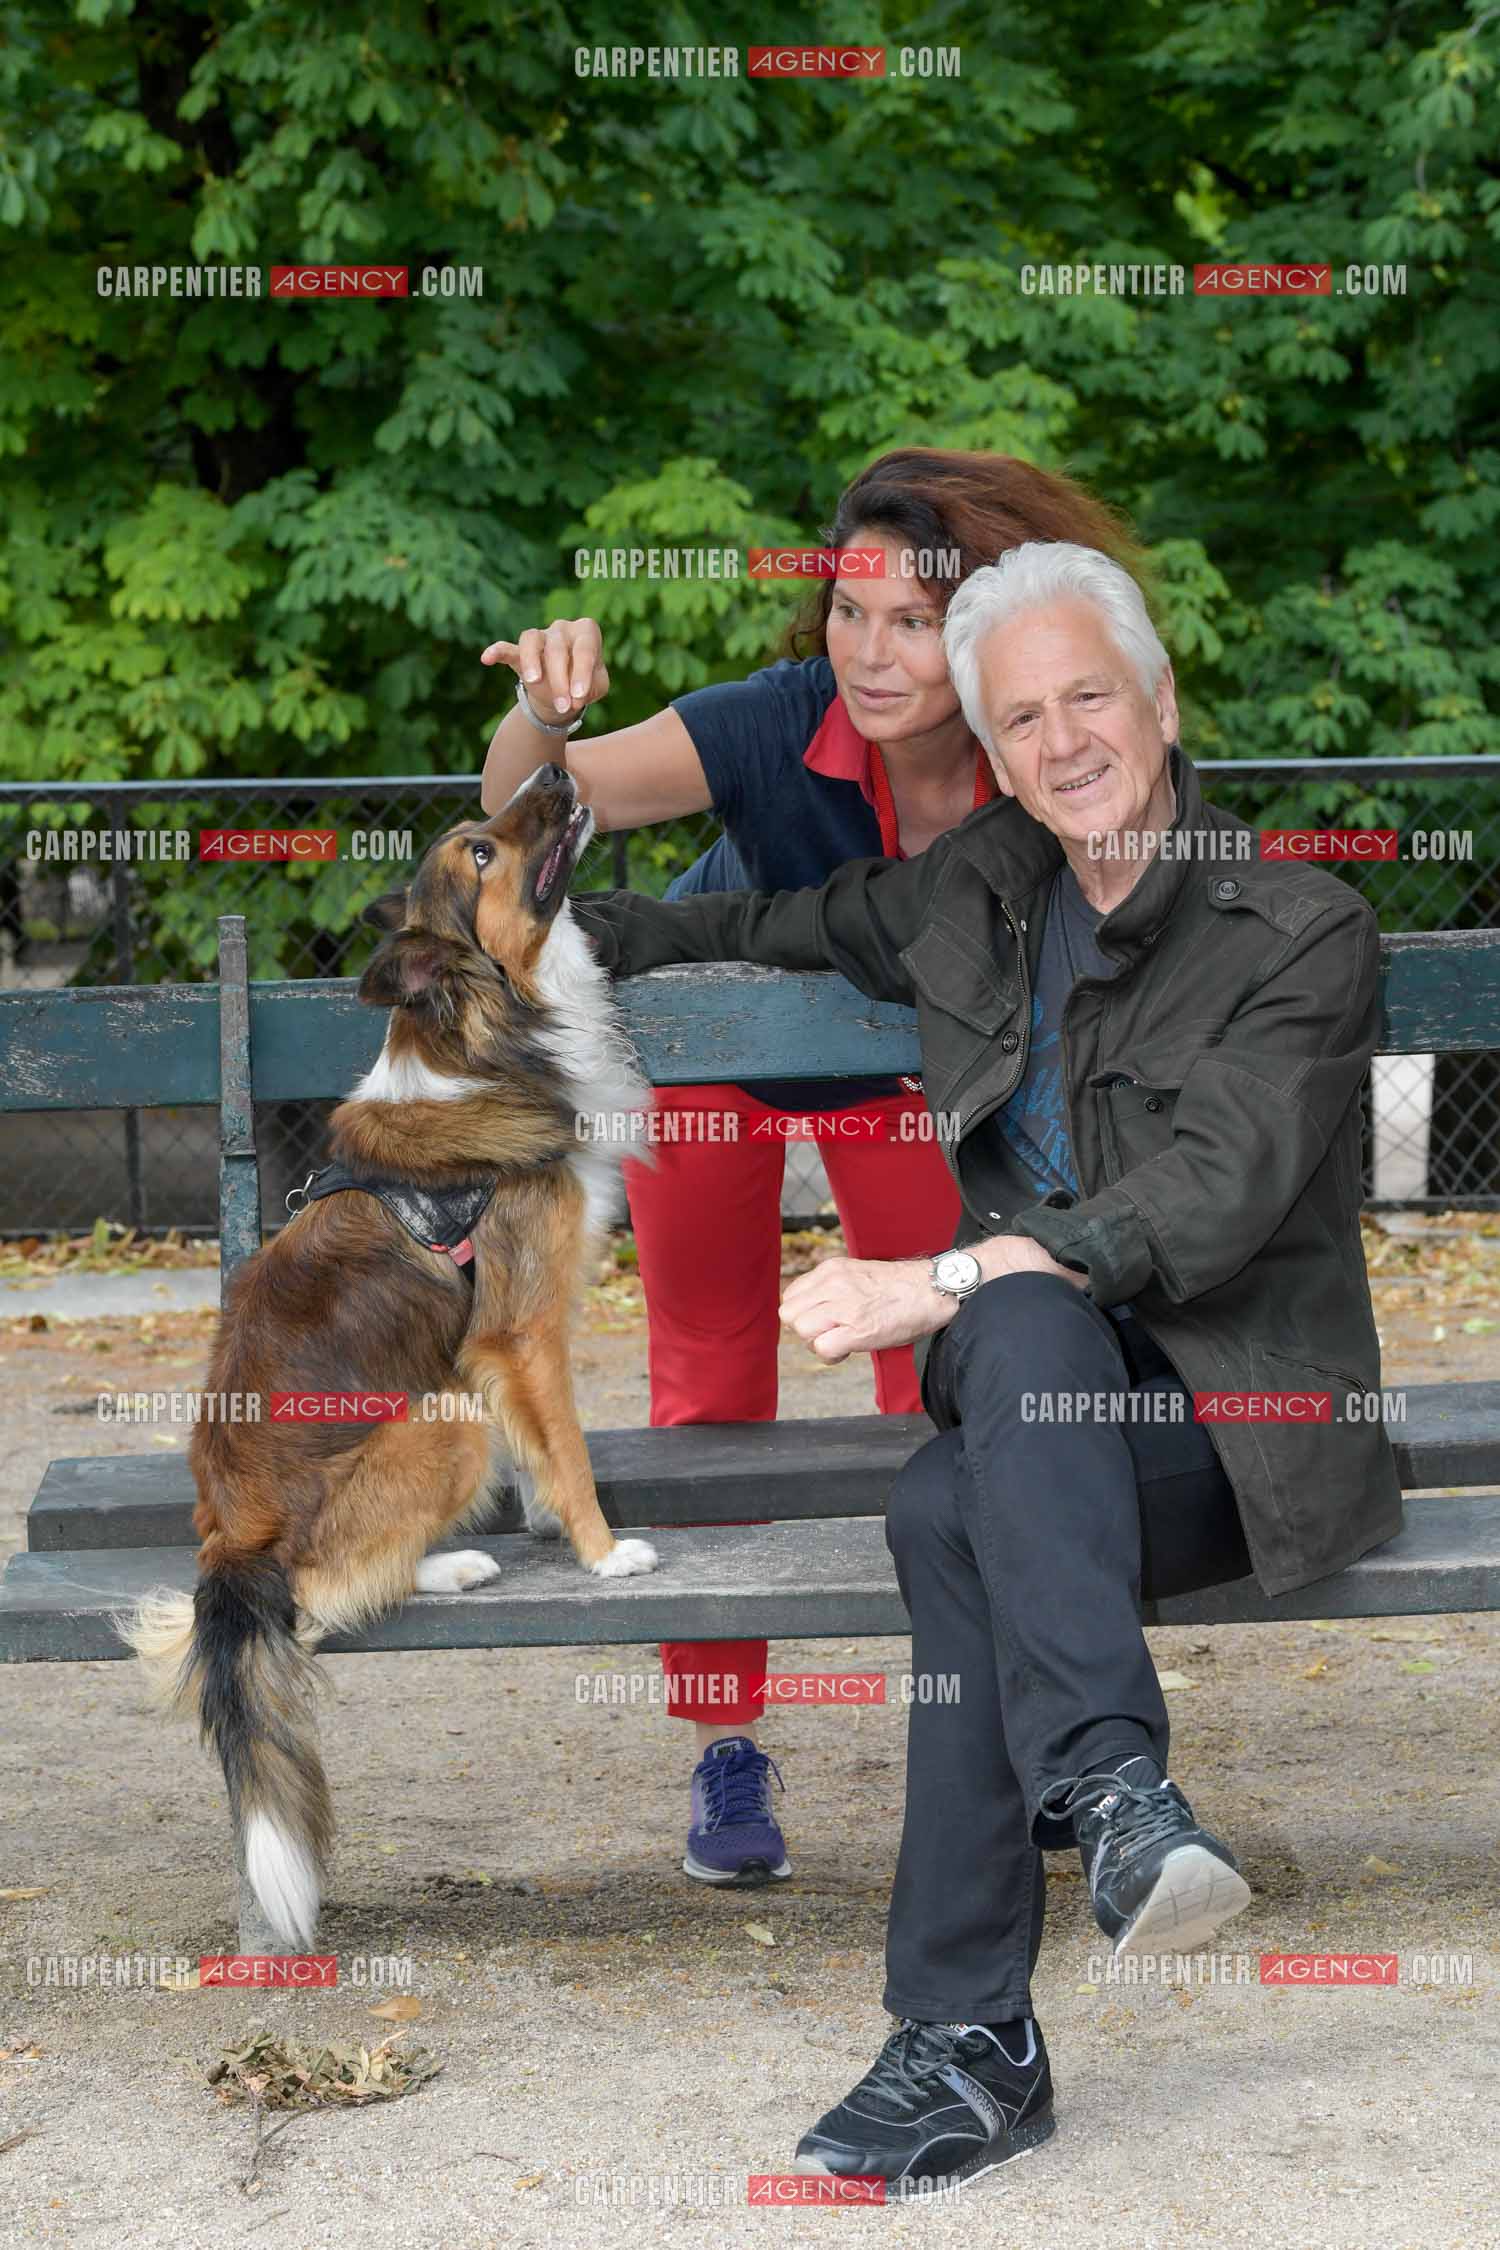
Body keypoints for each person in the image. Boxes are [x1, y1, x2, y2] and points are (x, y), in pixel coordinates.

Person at [567, 540, 1403, 2192]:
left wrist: (929, 1276)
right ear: (993, 746)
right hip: (1041, 1407)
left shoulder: (1301, 927)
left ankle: (972, 2038)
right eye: (1020, 718)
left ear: (1160, 703)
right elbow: (755, 912)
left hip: (1233, 1436)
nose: (1061, 740)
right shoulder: (979, 888)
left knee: (951, 1496)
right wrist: (539, 928)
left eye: (1089, 695)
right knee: (1013, 1348)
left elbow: (1205, 1201)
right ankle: (1115, 1798)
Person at [479, 452, 1142, 1889]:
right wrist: (541, 710)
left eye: (912, 621)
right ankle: (725, 1742)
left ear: (975, 628)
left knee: (960, 1377)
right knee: (714, 1378)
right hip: (720, 1043)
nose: (873, 651)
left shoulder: (1028, 740)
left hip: (912, 1075)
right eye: (851, 613)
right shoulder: (777, 720)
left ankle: (1009, 1724)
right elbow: (533, 809)